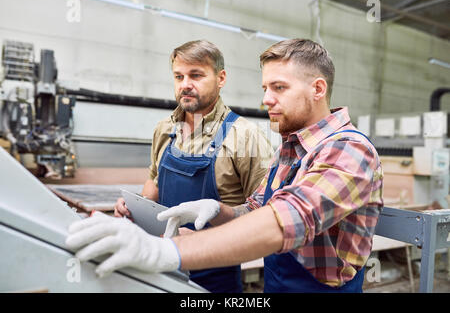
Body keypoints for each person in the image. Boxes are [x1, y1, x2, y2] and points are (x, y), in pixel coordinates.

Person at [66, 38, 384, 293]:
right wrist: (218, 210)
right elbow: (259, 209)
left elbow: (289, 219)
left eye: (279, 88)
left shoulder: (349, 149)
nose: (267, 100)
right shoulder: (290, 147)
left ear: (317, 89)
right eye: (265, 89)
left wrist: (165, 252)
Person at [111, 40, 273, 293]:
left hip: (215, 278)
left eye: (196, 75)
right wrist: (135, 207)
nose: (185, 84)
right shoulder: (165, 128)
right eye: (179, 76)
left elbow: (266, 213)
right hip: (160, 265)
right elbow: (154, 180)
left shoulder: (245, 136)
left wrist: (205, 236)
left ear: (221, 78)